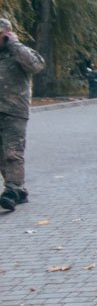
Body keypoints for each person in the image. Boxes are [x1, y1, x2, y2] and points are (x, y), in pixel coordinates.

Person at [0, 18, 46, 212]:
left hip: (14, 110)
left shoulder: (19, 52)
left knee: (12, 152)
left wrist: (15, 44)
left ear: (7, 34)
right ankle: (20, 190)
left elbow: (36, 65)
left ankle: (13, 189)